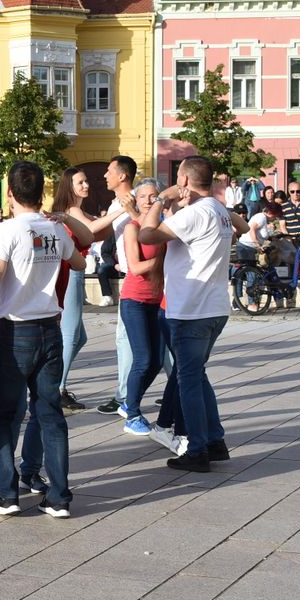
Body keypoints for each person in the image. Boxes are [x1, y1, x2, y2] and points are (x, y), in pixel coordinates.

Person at [0, 161, 85, 518]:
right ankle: (58, 497)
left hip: (15, 332)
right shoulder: (54, 230)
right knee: (50, 414)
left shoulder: (5, 232)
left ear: (9, 193)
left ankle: (7, 494)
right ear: (39, 191)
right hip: (49, 329)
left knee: (0, 415)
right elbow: (80, 265)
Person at [138, 156, 236, 472]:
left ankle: (198, 449)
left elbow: (146, 235)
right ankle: (215, 440)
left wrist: (160, 200)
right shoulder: (220, 211)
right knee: (196, 373)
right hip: (214, 307)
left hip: (191, 310)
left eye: (178, 178)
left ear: (184, 180)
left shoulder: (197, 213)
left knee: (188, 379)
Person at [51, 167, 127, 411]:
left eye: (86, 181)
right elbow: (93, 230)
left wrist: (116, 216)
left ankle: (54, 381)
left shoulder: (77, 210)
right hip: (71, 270)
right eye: (80, 182)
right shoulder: (72, 210)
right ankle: (56, 388)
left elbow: (99, 233)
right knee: (71, 334)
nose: (86, 185)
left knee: (79, 337)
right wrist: (121, 209)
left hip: (76, 270)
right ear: (68, 186)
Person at [118, 179, 166, 437]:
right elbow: (135, 267)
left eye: (153, 196)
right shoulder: (132, 228)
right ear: (136, 201)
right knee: (143, 358)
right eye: (144, 196)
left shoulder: (163, 227)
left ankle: (129, 402)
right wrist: (163, 259)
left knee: (157, 361)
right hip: (134, 301)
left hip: (157, 301)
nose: (148, 200)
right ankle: (132, 414)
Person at [95, 156, 139, 418]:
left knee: (125, 338)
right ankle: (175, 387)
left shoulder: (134, 198)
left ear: (122, 176)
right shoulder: (116, 203)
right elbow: (97, 231)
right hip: (130, 274)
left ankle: (123, 395)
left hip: (139, 275)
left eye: (109, 171)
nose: (105, 176)